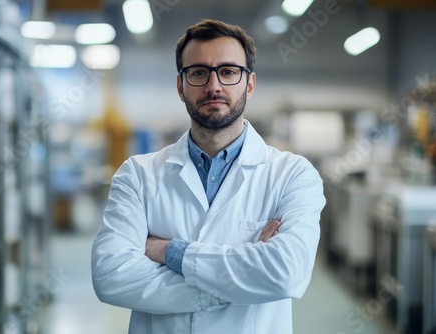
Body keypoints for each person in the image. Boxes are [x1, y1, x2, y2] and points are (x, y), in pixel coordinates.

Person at [92, 19, 326, 334]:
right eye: (199, 72)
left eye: (228, 72)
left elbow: (287, 274)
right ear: (181, 86)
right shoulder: (137, 175)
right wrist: (239, 282)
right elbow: (111, 277)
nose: (214, 86)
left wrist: (168, 251)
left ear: (250, 84)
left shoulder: (292, 175)